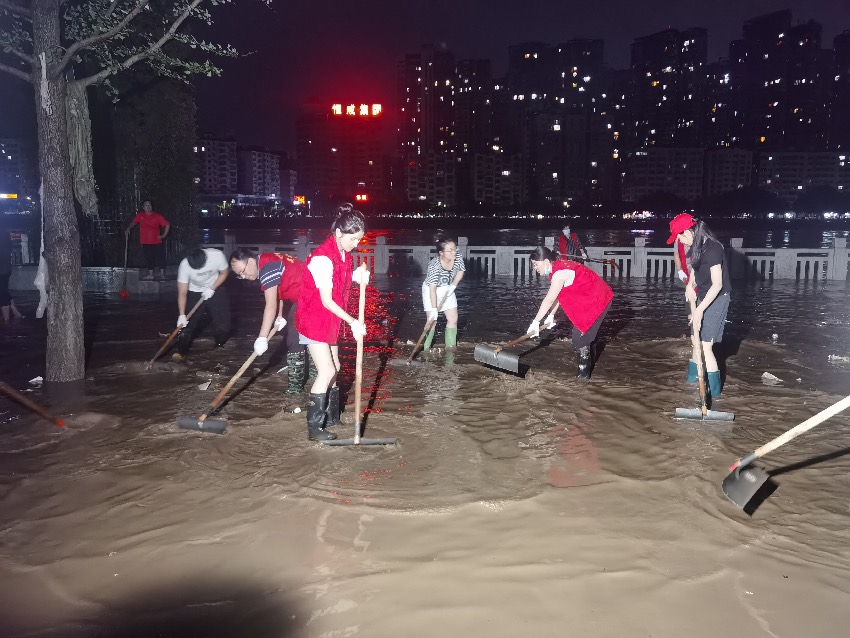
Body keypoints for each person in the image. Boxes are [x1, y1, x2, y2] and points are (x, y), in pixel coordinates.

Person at [295, 203, 369, 441]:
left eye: (359, 239)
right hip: (314, 319)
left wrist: (356, 277)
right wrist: (354, 322)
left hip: (330, 321)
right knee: (326, 370)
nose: (356, 244)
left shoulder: (343, 255)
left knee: (336, 367)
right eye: (353, 239)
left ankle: (332, 416)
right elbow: (327, 300)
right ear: (339, 233)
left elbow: (341, 284)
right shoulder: (322, 259)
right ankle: (315, 430)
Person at [666, 213, 731, 399]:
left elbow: (717, 285)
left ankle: (713, 394)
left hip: (717, 297)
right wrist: (690, 285)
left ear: (690, 231)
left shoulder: (713, 248)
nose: (678, 239)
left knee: (705, 345)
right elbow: (694, 267)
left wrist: (700, 311)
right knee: (695, 341)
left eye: (680, 235)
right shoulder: (695, 245)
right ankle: (693, 381)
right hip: (702, 293)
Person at [229, 247, 310, 393]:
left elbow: (270, 305)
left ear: (251, 261)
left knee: (294, 337)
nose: (244, 276)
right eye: (239, 275)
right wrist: (280, 315)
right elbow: (279, 290)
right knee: (302, 334)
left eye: (243, 271)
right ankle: (310, 378)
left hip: (312, 294)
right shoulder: (267, 261)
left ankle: (295, 389)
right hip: (304, 294)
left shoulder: (267, 268)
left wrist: (262, 338)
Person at [528, 246, 614, 379]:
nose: (535, 268)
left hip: (599, 300)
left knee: (579, 338)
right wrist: (550, 316)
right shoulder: (557, 268)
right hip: (595, 298)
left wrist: (535, 322)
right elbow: (558, 296)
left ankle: (583, 378)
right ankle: (590, 369)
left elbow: (549, 299)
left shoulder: (559, 272)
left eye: (535, 264)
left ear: (545, 261)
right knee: (583, 336)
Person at [172, 248, 231, 359]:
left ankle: (220, 344)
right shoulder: (184, 266)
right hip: (195, 292)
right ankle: (181, 351)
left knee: (224, 322)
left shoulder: (217, 255)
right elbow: (182, 292)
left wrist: (212, 288)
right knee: (186, 325)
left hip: (216, 287)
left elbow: (224, 272)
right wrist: (181, 314)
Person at [422, 235, 465, 352]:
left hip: (449, 288)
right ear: (441, 252)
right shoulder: (434, 265)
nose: (453, 252)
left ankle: (450, 347)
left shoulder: (458, 257)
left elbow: (460, 271)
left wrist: (454, 286)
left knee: (453, 319)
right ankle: (426, 348)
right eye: (450, 250)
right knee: (432, 321)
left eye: (455, 249)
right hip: (432, 290)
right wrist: (434, 309)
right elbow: (432, 289)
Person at [671, 227, 698, 383]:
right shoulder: (678, 240)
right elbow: (676, 254)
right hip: (687, 278)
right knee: (690, 309)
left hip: (700, 280)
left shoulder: (700, 243)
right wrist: (680, 270)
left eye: (681, 236)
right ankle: (694, 338)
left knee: (698, 311)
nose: (679, 240)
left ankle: (699, 341)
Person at [126, 200, 170, 280]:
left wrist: (163, 235)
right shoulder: (140, 215)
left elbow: (167, 224)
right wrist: (128, 228)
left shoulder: (157, 216)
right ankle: (151, 274)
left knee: (160, 257)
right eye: (146, 205)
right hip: (145, 241)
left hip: (157, 241)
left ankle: (162, 274)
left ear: (152, 206)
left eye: (149, 205)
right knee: (149, 258)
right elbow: (133, 222)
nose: (148, 206)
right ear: (143, 207)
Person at [0, 225, 24, 324]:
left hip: (2, 269)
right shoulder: (4, 234)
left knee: (2, 293)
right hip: (4, 268)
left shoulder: (2, 235)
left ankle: (7, 319)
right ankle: (14, 312)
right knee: (3, 291)